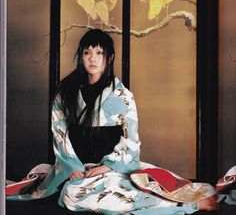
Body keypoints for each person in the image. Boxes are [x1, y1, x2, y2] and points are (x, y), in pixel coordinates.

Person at [6, 29, 217, 214]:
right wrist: (73, 168)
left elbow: (130, 143)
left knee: (135, 187)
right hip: (77, 168)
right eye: (87, 52)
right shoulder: (66, 92)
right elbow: (60, 134)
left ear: (110, 57)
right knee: (72, 194)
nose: (92, 58)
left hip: (110, 169)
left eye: (99, 53)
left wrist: (106, 167)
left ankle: (182, 206)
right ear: (81, 56)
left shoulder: (123, 96)